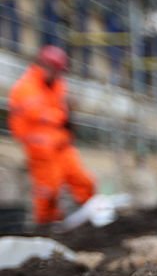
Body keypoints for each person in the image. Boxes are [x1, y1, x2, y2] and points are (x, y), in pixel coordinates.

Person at [8, 45, 95, 225]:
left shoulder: (57, 84)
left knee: (83, 181)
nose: (59, 75)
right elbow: (39, 115)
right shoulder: (26, 88)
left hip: (61, 144)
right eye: (57, 71)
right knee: (49, 190)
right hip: (41, 149)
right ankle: (46, 225)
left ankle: (88, 215)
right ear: (46, 66)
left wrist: (67, 118)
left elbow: (59, 110)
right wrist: (62, 116)